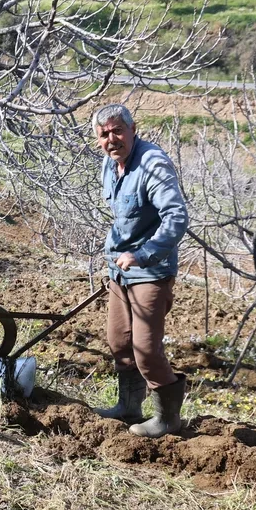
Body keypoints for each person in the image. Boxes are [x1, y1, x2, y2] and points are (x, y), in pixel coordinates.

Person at [90, 103, 190, 437]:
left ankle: (168, 419)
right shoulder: (110, 163)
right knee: (119, 342)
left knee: (146, 350)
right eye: (104, 134)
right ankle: (128, 407)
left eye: (118, 130)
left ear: (134, 129)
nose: (111, 138)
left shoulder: (153, 163)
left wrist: (144, 252)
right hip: (120, 269)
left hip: (151, 269)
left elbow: (176, 217)